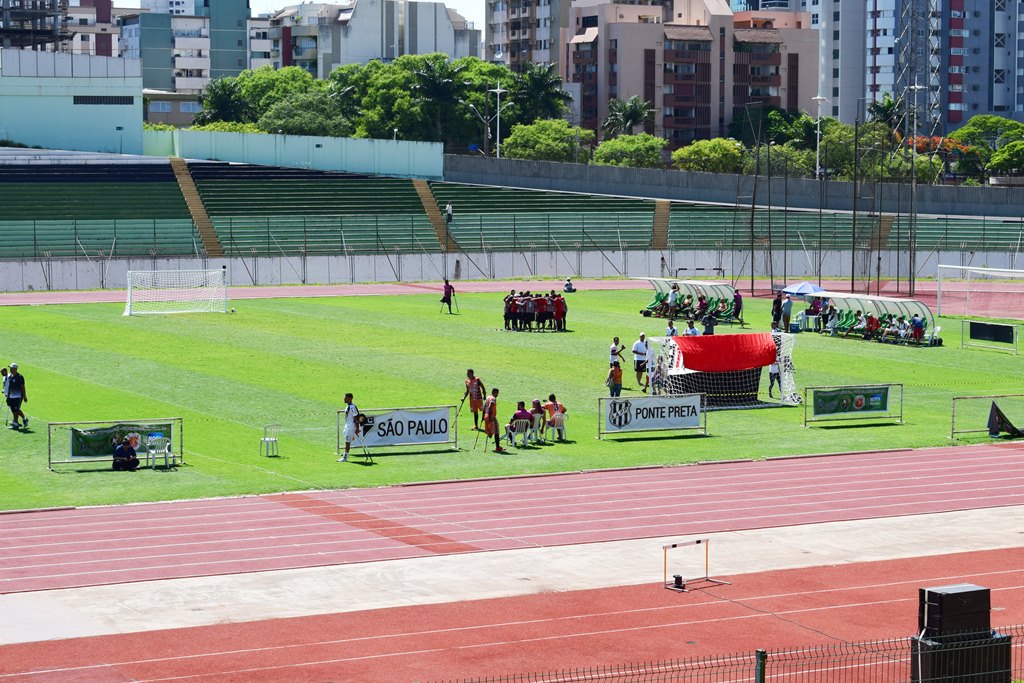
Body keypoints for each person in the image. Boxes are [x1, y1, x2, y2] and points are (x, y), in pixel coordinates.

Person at [338, 392, 359, 462]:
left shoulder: (352, 407)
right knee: (347, 441)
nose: (344, 399)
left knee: (347, 442)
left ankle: (345, 457)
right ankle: (345, 456)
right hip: (347, 426)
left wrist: (357, 428)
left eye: (345, 397)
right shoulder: (348, 406)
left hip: (351, 427)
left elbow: (356, 418)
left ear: (349, 398)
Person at [482, 388, 504, 452]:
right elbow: (491, 405)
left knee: (491, 432)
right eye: (497, 393)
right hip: (491, 416)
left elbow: (484, 407)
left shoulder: (488, 397)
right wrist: (490, 415)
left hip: (486, 415)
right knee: (496, 430)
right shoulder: (493, 399)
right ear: (494, 392)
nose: (497, 395)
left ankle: (490, 432)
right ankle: (498, 447)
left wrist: (483, 416)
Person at [6, 363, 27, 430]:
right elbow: (9, 387)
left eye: (11, 368)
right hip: (11, 396)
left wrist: (24, 396)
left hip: (18, 396)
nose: (10, 369)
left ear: (15, 369)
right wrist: (8, 396)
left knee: (15, 410)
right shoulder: (10, 376)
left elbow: (23, 387)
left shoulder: (20, 377)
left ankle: (15, 424)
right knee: (14, 410)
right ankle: (24, 419)